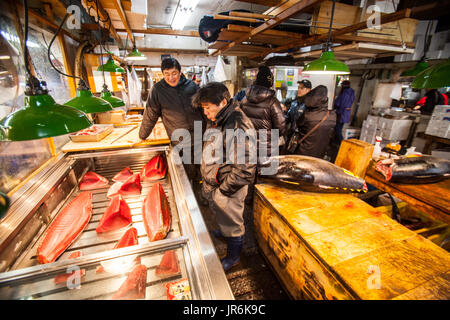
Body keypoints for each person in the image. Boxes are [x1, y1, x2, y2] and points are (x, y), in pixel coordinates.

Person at [192, 82, 256, 271]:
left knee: (234, 221)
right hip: (219, 182)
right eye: (203, 108)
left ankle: (234, 256)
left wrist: (223, 191)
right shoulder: (219, 118)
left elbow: (245, 168)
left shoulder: (237, 124)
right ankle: (226, 233)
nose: (205, 112)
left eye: (207, 107)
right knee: (223, 215)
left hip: (230, 187)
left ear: (222, 102)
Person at [139, 57, 204, 183]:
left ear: (180, 72)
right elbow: (150, 114)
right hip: (180, 140)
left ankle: (203, 196)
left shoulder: (192, 86)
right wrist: (143, 135)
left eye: (174, 73)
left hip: (199, 136)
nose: (171, 77)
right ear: (162, 74)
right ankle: (192, 198)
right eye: (166, 74)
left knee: (203, 171)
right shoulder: (158, 90)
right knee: (187, 174)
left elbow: (203, 109)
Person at [239, 65, 286, 203]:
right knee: (264, 174)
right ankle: (259, 203)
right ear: (269, 82)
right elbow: (281, 125)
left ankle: (247, 199)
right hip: (265, 146)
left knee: (248, 172)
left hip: (247, 143)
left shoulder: (245, 98)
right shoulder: (272, 101)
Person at [294, 85, 337, 159]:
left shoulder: (307, 115)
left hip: (303, 152)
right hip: (320, 153)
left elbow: (298, 124)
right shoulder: (332, 115)